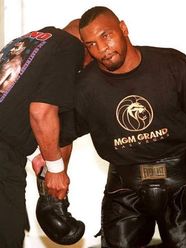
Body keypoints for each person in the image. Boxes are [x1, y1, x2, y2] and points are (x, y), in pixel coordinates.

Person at [61, 6, 186, 248]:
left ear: (123, 28)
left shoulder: (170, 63)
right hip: (124, 185)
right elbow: (61, 135)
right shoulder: (85, 86)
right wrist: (52, 183)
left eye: (105, 36)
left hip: (180, 178)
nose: (101, 50)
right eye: (91, 44)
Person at [0, 19, 87, 247]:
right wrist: (56, 170)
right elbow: (41, 112)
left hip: (7, 150)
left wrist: (46, 155)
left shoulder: (30, 40)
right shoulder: (70, 47)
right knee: (8, 236)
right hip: (3, 157)